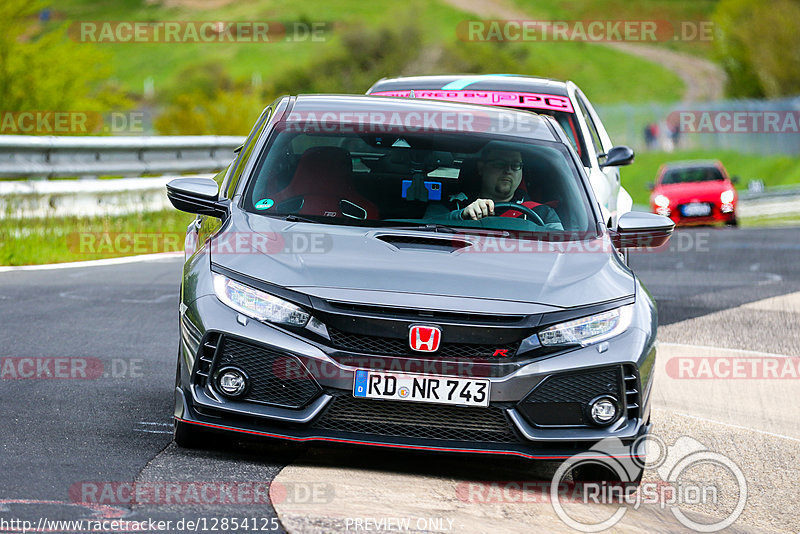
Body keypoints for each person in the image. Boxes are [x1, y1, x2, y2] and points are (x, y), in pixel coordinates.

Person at [425, 145, 563, 230]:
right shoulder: (450, 204)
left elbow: (562, 247)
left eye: (515, 166)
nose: (508, 170)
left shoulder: (542, 212)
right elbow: (423, 230)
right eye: (500, 164)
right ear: (481, 168)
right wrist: (461, 215)